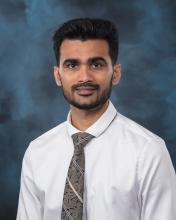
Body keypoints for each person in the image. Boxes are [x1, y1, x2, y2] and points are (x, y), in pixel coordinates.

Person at [16, 18, 176, 220]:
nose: (84, 77)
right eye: (72, 65)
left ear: (115, 73)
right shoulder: (37, 152)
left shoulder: (148, 151)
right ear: (58, 75)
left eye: (96, 64)